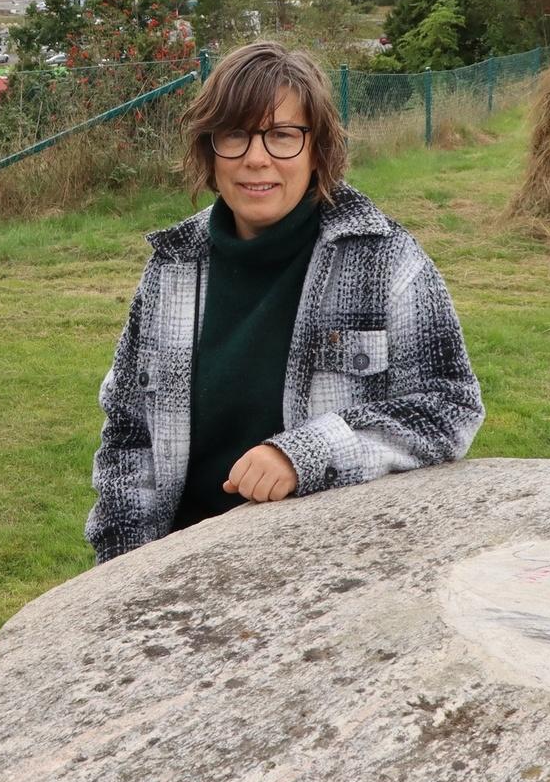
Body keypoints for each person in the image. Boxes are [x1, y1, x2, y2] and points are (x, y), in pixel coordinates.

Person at [85, 41, 485, 563]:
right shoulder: (173, 266)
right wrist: (118, 570)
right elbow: (128, 431)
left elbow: (449, 407)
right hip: (178, 562)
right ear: (210, 150)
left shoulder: (385, 260)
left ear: (318, 149)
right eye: (235, 135)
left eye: (282, 135)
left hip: (324, 563)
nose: (256, 158)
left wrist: (308, 452)